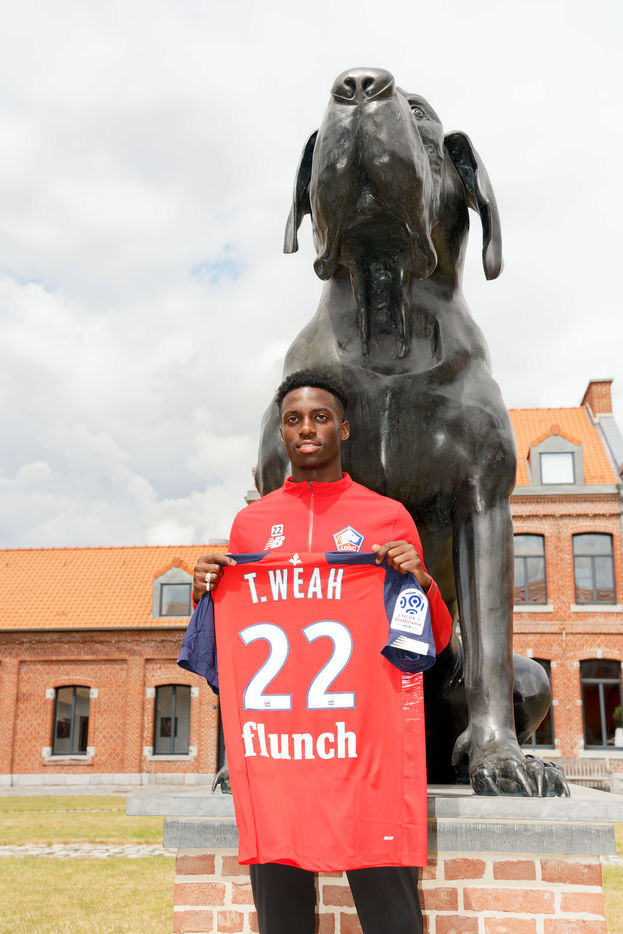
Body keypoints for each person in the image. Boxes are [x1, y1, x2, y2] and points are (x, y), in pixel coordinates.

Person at [192, 369, 451, 934]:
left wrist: (422, 583)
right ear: (281, 434)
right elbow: (230, 652)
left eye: (320, 417)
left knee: (393, 917)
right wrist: (207, 593)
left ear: (344, 429)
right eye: (293, 419)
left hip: (364, 753)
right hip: (278, 758)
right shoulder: (250, 525)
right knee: (281, 919)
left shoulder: (386, 516)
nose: (306, 428)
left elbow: (430, 641)